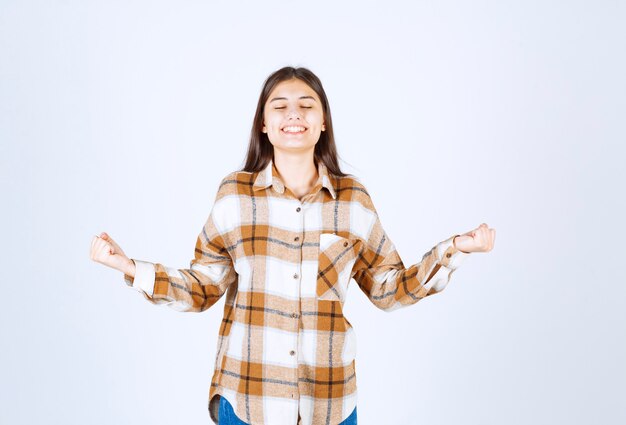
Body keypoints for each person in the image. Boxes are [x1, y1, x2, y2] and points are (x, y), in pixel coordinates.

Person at [90, 66, 496, 425]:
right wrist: (132, 269)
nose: (293, 114)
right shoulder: (235, 196)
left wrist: (454, 249)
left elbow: (388, 289)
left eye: (306, 105)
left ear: (323, 123)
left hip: (330, 403)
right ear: (263, 124)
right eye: (279, 106)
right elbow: (203, 287)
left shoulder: (353, 201)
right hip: (247, 400)